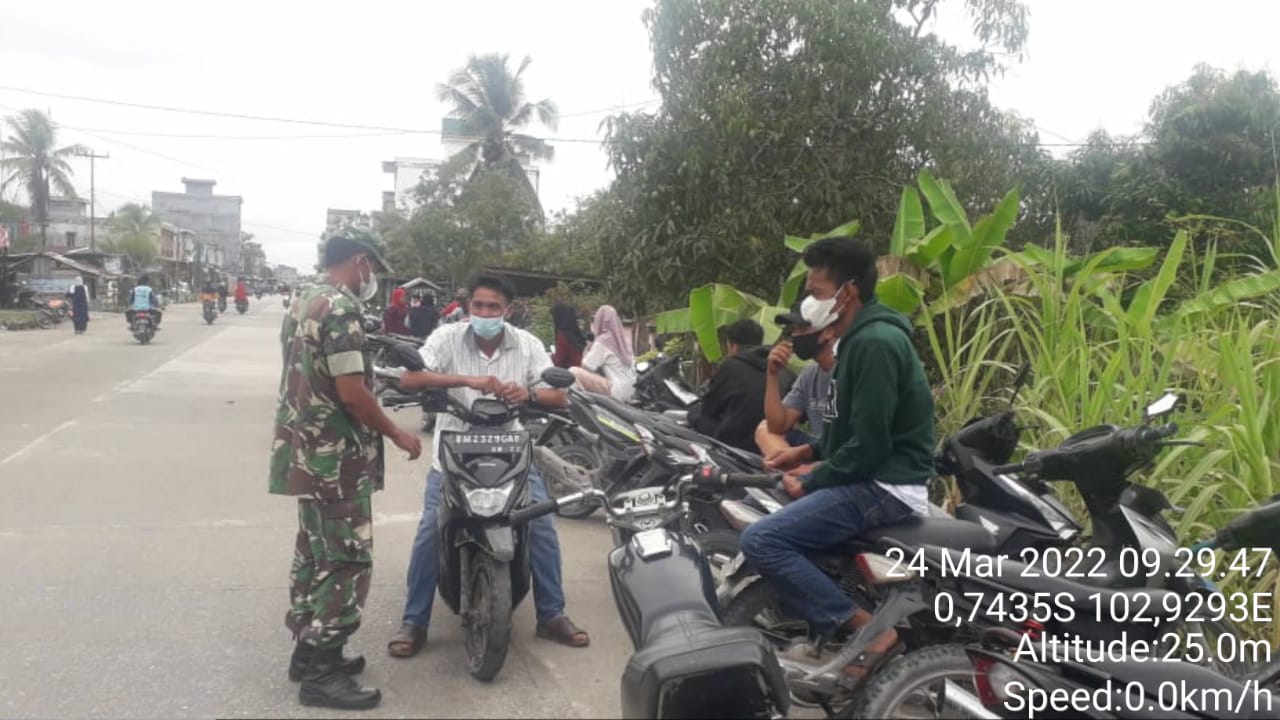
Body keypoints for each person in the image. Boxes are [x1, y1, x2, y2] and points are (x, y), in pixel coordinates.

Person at [740, 236, 935, 680]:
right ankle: (832, 633)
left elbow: (871, 446)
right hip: (876, 476)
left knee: (762, 540)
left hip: (887, 485)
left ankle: (870, 632)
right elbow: (850, 430)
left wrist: (811, 479)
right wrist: (805, 452)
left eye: (817, 293)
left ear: (847, 292)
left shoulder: (876, 344)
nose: (809, 302)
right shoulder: (858, 341)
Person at [386, 272, 590, 659]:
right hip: (453, 451)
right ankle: (414, 621)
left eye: (492, 306)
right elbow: (411, 379)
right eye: (477, 305)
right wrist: (466, 380)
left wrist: (528, 392)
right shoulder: (446, 337)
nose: (484, 312)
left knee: (542, 524)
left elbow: (560, 396)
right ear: (468, 306)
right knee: (432, 527)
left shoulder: (527, 345)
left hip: (510, 450)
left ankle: (552, 614)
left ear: (507, 310)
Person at [270, 229, 422, 711]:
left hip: (304, 451)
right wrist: (397, 433)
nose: (371, 278)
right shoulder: (340, 308)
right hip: (335, 459)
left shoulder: (303, 301)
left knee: (314, 552)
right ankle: (322, 673)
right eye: (371, 268)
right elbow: (353, 393)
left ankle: (308, 649)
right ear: (358, 262)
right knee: (347, 559)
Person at [754, 297, 839, 457]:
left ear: (828, 331)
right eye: (793, 329)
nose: (795, 336)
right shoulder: (810, 373)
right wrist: (772, 374)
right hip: (814, 447)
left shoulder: (848, 368)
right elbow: (777, 426)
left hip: (839, 450)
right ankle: (789, 468)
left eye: (802, 329)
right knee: (763, 429)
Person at [689, 319, 786, 453]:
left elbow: (709, 408)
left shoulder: (730, 366)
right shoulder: (782, 368)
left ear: (732, 345)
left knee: (695, 414)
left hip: (734, 444)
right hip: (774, 444)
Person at [569, 305, 636, 402]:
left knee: (573, 371)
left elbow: (587, 366)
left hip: (617, 391)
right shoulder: (624, 339)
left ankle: (583, 404)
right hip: (631, 390)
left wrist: (588, 348)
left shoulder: (604, 340)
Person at [550, 302, 587, 369]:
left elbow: (558, 361)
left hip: (570, 374)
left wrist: (550, 357)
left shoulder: (563, 335)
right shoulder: (576, 332)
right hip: (580, 370)